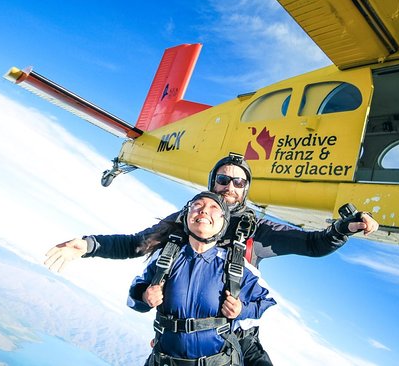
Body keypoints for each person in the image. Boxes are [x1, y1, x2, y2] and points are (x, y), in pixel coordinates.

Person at [45, 153, 379, 365]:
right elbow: (136, 244)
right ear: (211, 184)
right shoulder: (187, 220)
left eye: (239, 181)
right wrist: (87, 244)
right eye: (223, 179)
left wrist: (342, 229)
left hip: (239, 340)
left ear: (246, 190)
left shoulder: (255, 227)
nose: (229, 186)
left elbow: (312, 243)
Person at [128, 191, 276, 366]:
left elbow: (266, 301)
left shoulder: (236, 266)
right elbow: (132, 299)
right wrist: (144, 296)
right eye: (197, 205)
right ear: (187, 215)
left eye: (214, 207)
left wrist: (241, 310)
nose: (204, 210)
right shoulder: (166, 256)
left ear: (223, 223)